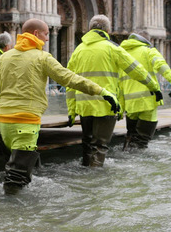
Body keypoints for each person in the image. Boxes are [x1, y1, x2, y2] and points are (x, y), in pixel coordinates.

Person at [0, 19, 116, 194]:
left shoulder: (4, 57)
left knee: (16, 164)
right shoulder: (42, 58)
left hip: (5, 125)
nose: (48, 39)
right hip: (26, 123)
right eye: (46, 34)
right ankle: (12, 214)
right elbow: (70, 78)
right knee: (16, 178)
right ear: (36, 34)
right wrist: (102, 91)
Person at [66, 15, 159, 167]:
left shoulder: (78, 50)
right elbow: (137, 71)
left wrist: (71, 110)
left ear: (90, 29)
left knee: (87, 143)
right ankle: (95, 181)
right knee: (99, 145)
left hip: (84, 106)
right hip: (106, 105)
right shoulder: (112, 48)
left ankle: (84, 174)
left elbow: (69, 82)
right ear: (108, 30)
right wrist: (154, 87)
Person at [118, 31, 171, 149]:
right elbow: (161, 65)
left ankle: (126, 157)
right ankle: (138, 164)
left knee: (131, 136)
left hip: (130, 104)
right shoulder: (148, 51)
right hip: (147, 102)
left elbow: (118, 83)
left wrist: (121, 106)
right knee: (142, 140)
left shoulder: (122, 55)